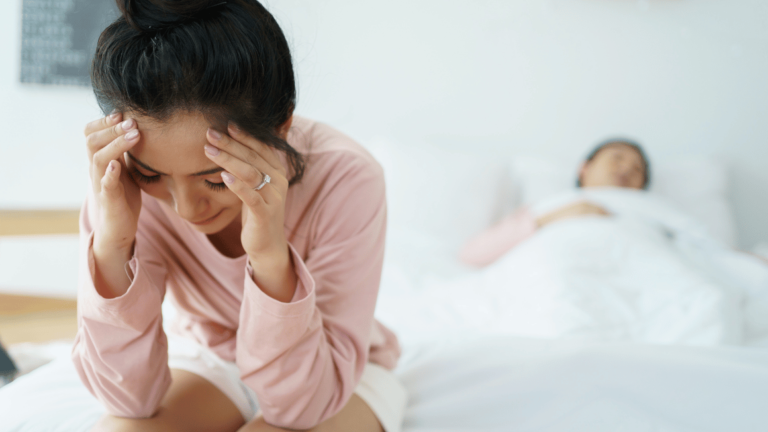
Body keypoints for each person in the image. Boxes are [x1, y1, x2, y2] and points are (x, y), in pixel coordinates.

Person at [72, 1, 406, 431]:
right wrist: (113, 243)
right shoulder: (125, 186)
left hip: (331, 370)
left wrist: (269, 254)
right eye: (153, 173)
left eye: (213, 179)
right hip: (214, 359)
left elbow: (300, 409)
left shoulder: (347, 178)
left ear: (281, 128)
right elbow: (128, 399)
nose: (186, 209)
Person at [460, 139, 650, 268]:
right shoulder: (547, 208)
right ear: (585, 168)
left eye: (636, 170)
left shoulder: (654, 217)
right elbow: (471, 255)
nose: (626, 169)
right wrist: (559, 216)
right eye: (617, 159)